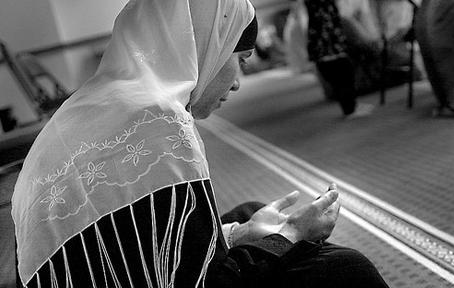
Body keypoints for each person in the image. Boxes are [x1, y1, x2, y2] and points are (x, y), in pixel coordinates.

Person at [11, 0, 390, 287]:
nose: (238, 81)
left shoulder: (103, 100)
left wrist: (241, 235)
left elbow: (134, 239)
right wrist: (290, 235)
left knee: (250, 212)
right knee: (346, 270)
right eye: (238, 59)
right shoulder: (157, 121)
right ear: (204, 50)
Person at [303, 0, 374, 119]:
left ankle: (352, 105)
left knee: (345, 70)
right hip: (326, 38)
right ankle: (349, 108)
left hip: (329, 35)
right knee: (342, 72)